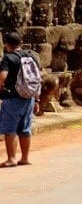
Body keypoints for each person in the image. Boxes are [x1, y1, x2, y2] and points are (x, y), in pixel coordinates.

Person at [0, 31, 37, 167]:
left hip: (12, 97)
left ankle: (11, 158)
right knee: (25, 129)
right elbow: (37, 78)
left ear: (6, 44)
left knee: (11, 129)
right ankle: (25, 158)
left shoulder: (8, 58)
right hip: (29, 97)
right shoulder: (31, 56)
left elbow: (3, 76)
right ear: (20, 43)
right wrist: (37, 99)